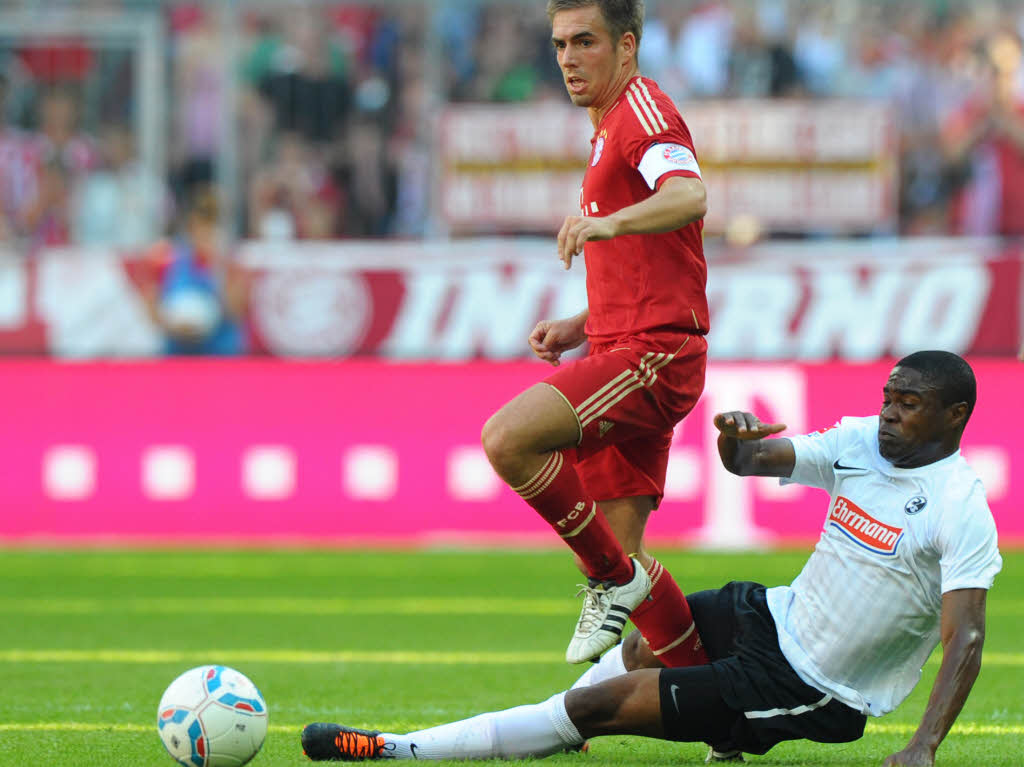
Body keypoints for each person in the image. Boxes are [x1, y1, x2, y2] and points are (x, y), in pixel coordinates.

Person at [302, 351, 1001, 767]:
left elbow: (964, 636)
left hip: (815, 684)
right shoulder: (859, 442)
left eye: (909, 405)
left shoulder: (958, 505)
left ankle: (399, 748)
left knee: (598, 702)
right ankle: (580, 726)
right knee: (644, 642)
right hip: (771, 613)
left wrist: (924, 745)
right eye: (888, 398)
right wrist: (736, 440)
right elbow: (752, 460)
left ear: (955, 415)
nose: (888, 414)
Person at [479, 0, 712, 668]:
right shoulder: (609, 125)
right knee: (631, 557)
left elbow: (690, 195)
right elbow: (656, 259)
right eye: (559, 45)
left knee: (507, 438)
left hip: (654, 355)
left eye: (585, 41)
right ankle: (719, 706)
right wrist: (582, 322)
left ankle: (609, 576)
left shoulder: (642, 112)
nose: (569, 59)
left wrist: (608, 224)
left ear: (627, 46)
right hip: (623, 344)